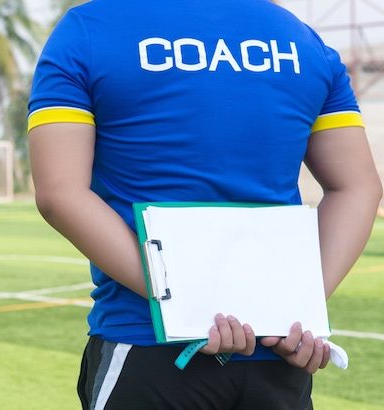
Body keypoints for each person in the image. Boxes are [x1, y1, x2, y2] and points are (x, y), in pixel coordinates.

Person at [27, 0, 383, 408]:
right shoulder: (301, 40)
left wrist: (193, 304)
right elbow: (358, 188)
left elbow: (59, 192)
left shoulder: (89, 29)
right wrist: (293, 307)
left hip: (151, 344)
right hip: (277, 351)